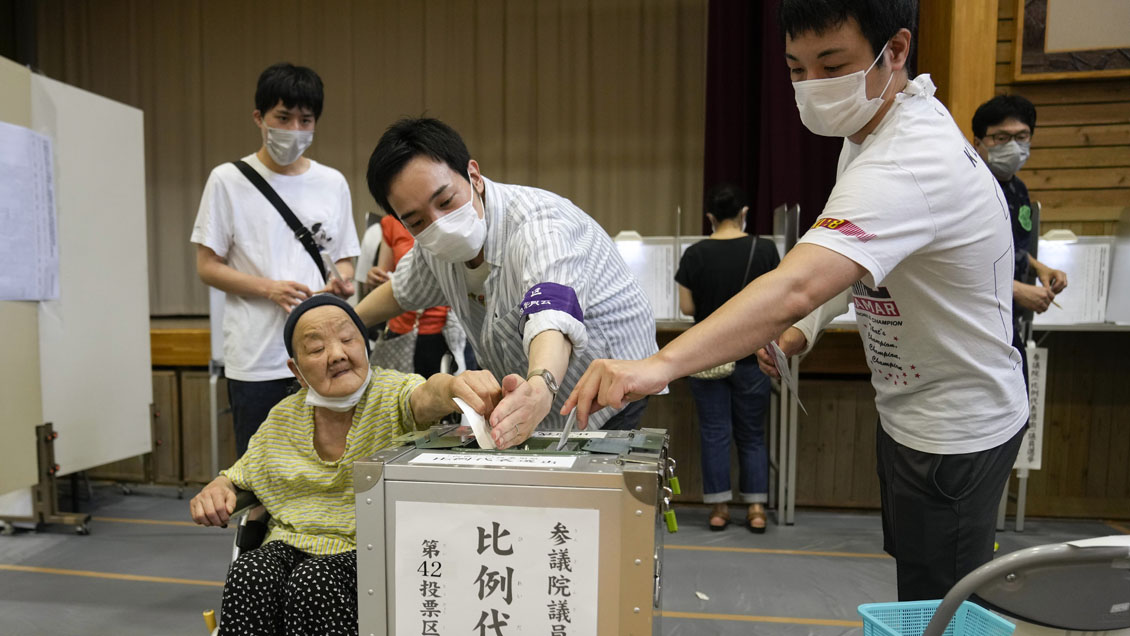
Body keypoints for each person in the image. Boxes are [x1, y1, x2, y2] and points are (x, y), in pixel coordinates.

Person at [564, 0, 1029, 601]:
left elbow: (798, 284)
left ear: (896, 50)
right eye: (795, 68)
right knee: (917, 582)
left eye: (831, 64)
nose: (811, 86)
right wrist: (799, 331)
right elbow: (846, 272)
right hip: (911, 410)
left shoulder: (911, 157)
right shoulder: (866, 137)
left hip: (960, 423)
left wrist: (657, 366)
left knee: (944, 602)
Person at [189, 294, 501, 635]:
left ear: (364, 345)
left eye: (348, 339)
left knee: (313, 581)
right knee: (250, 572)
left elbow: (428, 395)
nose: (337, 354)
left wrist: (454, 385)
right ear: (297, 370)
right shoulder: (282, 419)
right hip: (290, 546)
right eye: (316, 348)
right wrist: (218, 488)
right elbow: (239, 477)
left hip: (372, 551)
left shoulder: (391, 395)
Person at [355, 117, 659, 449]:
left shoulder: (540, 225)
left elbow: (553, 312)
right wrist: (344, 323)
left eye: (445, 202)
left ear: (474, 177)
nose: (438, 225)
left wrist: (541, 384)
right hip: (529, 392)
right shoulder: (432, 247)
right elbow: (401, 291)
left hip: (602, 386)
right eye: (416, 221)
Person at [192, 62, 359, 457]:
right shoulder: (227, 180)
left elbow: (346, 261)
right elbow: (206, 265)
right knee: (259, 471)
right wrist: (269, 289)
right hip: (256, 357)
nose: (295, 130)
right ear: (259, 118)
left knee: (329, 465)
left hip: (325, 357)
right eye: (283, 118)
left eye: (306, 120)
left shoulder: (332, 182)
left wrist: (341, 284)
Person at [675, 184, 779, 532]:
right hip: (753, 355)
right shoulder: (764, 250)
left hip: (707, 357)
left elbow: (687, 307)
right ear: (743, 213)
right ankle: (757, 509)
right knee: (752, 434)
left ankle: (719, 508)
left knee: (714, 432)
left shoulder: (694, 253)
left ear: (710, 218)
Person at [972, 94, 1068, 382]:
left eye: (1021, 136)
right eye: (1001, 137)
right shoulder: (969, 189)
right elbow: (958, 260)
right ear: (978, 142)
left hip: (1007, 319)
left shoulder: (1018, 189)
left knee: (1018, 406)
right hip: (974, 324)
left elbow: (1008, 246)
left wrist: (1039, 268)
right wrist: (1015, 289)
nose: (1013, 146)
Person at [355, 211, 454, 377]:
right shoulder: (393, 222)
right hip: (400, 330)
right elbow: (382, 277)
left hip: (443, 331)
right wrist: (374, 277)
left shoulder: (444, 219)